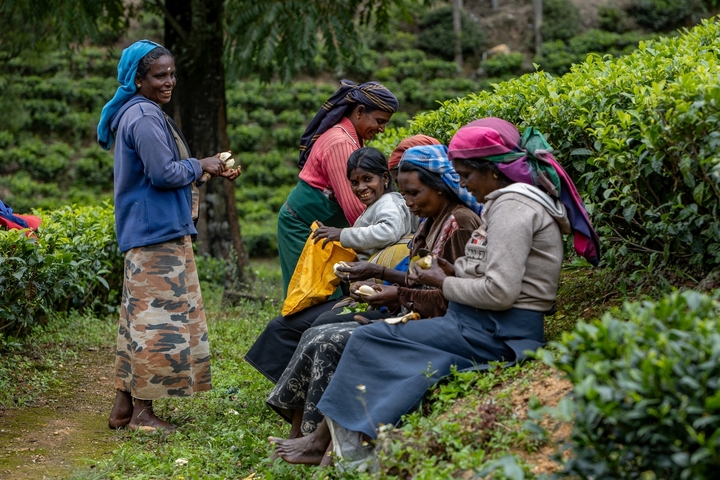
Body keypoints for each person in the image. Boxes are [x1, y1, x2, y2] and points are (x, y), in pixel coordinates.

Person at [271, 117, 599, 467]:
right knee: (370, 339)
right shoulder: (505, 204)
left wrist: (444, 282)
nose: (464, 184)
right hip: (479, 323)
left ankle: (335, 449)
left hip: (497, 331)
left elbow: (501, 293)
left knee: (367, 340)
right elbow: (493, 273)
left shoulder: (513, 208)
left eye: (466, 175)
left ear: (492, 170)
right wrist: (451, 272)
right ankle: (333, 447)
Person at [264, 144, 482, 439]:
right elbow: (417, 278)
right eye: (405, 194)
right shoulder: (430, 222)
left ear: (440, 187)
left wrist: (397, 296)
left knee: (328, 339)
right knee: (315, 333)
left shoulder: (459, 223)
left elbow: (451, 298)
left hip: (436, 326)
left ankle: (316, 440)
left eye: (414, 194)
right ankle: (301, 436)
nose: (407, 202)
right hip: (412, 313)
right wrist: (379, 274)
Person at [97, 40, 240, 432]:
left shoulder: (140, 112)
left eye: (172, 74)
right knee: (158, 326)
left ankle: (123, 407)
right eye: (160, 75)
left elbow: (163, 171)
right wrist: (201, 163)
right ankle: (143, 415)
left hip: (150, 231)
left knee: (137, 322)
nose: (169, 81)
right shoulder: (143, 116)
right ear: (138, 79)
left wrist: (204, 170)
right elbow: (163, 175)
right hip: (155, 234)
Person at [279, 80, 399, 296]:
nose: (382, 129)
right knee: (312, 295)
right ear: (360, 111)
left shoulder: (351, 138)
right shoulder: (340, 143)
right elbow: (356, 210)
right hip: (303, 228)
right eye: (379, 121)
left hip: (323, 229)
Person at [312, 147, 412, 262]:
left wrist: (342, 234)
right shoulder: (377, 203)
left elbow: (390, 232)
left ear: (384, 178)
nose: (361, 188)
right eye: (355, 182)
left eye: (367, 179)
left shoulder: (388, 202)